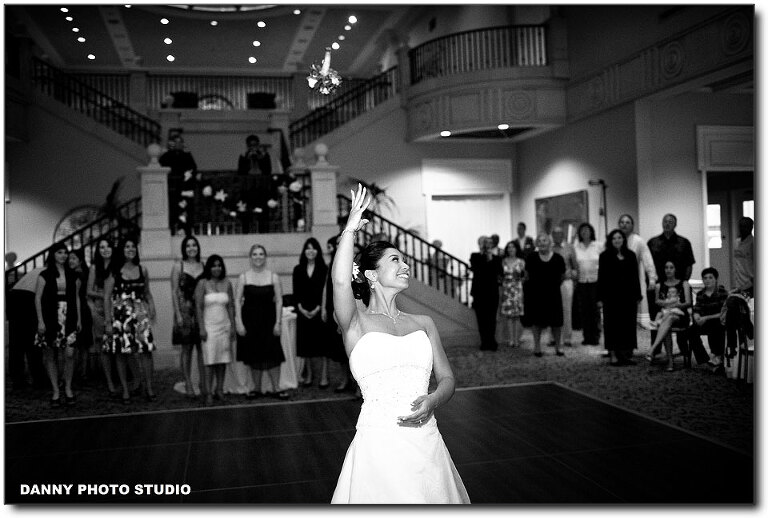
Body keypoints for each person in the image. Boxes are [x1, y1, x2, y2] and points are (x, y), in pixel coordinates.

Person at [330, 184, 470, 504]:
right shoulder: (355, 323)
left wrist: (433, 400)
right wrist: (350, 229)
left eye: (405, 261)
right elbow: (339, 281)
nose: (405, 266)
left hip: (426, 441)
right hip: (379, 446)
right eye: (396, 260)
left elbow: (447, 379)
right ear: (372, 275)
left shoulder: (425, 323)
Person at [104, 236, 157, 403]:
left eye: (133, 246)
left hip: (140, 315)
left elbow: (147, 292)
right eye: (127, 247)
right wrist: (108, 321)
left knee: (146, 352)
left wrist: (152, 307)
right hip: (121, 316)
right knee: (121, 352)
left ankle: (149, 388)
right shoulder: (114, 271)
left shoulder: (143, 270)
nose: (130, 249)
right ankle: (125, 390)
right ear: (122, 250)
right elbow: (106, 297)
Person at [234, 244, 290, 400]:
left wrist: (278, 322)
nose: (258, 257)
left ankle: (277, 388)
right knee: (253, 355)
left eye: (261, 254)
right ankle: (256, 388)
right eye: (254, 254)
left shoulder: (273, 277)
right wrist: (239, 323)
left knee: (274, 355)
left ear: (265, 257)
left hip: (269, 322)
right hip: (250, 322)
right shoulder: (243, 277)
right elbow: (237, 301)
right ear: (250, 257)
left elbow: (279, 301)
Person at [34, 242, 82, 406]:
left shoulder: (73, 275)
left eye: (65, 252)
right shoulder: (44, 275)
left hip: (69, 316)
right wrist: (40, 320)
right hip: (50, 317)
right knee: (51, 354)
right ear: (53, 254)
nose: (63, 255)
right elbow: (37, 298)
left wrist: (79, 319)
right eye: (59, 252)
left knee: (69, 353)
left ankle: (67, 386)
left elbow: (77, 297)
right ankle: (55, 390)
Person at [195, 254, 236, 406]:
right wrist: (201, 328)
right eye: (213, 265)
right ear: (209, 267)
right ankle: (208, 392)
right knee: (210, 361)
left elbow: (230, 306)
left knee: (222, 360)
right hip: (209, 327)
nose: (216, 268)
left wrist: (233, 326)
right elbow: (198, 307)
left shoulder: (227, 283)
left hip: (224, 326)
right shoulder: (202, 283)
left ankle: (219, 389)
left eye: (219, 265)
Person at [647, 214, 695, 341]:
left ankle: (683, 346)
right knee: (656, 317)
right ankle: (656, 347)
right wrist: (651, 283)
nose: (667, 223)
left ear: (675, 224)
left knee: (680, 317)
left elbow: (689, 265)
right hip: (658, 287)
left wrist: (683, 283)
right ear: (662, 223)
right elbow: (647, 265)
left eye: (670, 221)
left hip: (679, 287)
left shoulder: (684, 243)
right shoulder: (652, 243)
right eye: (665, 221)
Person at [597, 229, 642, 365]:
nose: (617, 240)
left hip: (628, 297)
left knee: (627, 325)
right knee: (612, 326)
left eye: (619, 238)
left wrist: (638, 295)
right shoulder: (605, 256)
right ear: (610, 241)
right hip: (611, 297)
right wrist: (599, 298)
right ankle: (613, 355)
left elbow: (635, 276)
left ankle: (625, 354)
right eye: (614, 238)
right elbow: (601, 278)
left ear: (624, 240)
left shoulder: (631, 255)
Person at [171, 235, 205, 399]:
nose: (192, 248)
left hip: (201, 313)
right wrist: (178, 314)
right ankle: (188, 383)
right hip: (184, 312)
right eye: (188, 246)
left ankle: (202, 382)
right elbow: (174, 292)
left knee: (201, 349)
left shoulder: (203, 265)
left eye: (194, 245)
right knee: (187, 349)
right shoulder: (179, 266)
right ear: (184, 249)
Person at [523, 233, 566, 357]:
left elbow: (562, 276)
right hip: (536, 295)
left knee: (556, 322)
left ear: (550, 242)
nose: (542, 243)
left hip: (553, 294)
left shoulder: (558, 258)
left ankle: (558, 346)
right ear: (536, 244)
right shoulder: (531, 257)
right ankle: (537, 347)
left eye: (544, 240)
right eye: (539, 241)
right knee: (536, 322)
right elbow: (527, 275)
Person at [646, 260, 692, 372]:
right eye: (666, 267)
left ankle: (653, 349)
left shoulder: (684, 284)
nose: (668, 270)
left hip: (680, 315)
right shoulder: (659, 285)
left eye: (671, 267)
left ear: (676, 269)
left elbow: (688, 302)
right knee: (667, 323)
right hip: (666, 315)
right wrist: (667, 303)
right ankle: (670, 361)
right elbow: (656, 301)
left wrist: (675, 305)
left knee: (668, 319)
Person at [86, 238, 118, 397]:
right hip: (99, 310)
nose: (105, 250)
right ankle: (109, 381)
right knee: (103, 346)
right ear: (98, 251)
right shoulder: (94, 268)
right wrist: (104, 295)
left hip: (117, 309)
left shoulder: (118, 266)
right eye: (102, 247)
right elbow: (88, 291)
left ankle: (121, 377)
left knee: (119, 345)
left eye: (108, 246)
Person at [322, 235, 353, 392]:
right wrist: (323, 307)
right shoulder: (332, 263)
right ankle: (344, 379)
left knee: (352, 349)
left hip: (346, 309)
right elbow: (326, 287)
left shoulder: (354, 263)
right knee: (339, 349)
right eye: (337, 244)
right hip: (331, 308)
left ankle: (358, 386)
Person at [7, 265, 47, 389]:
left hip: (14, 295)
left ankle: (18, 379)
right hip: (27, 298)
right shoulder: (51, 272)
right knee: (32, 340)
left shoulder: (39, 269)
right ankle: (38, 377)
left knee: (16, 342)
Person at [617, 214, 657, 328]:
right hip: (615, 280)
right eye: (622, 222)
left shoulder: (638, 241)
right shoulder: (614, 239)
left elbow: (647, 259)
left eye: (627, 222)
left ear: (632, 225)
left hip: (632, 280)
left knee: (630, 309)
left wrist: (652, 278)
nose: (624, 225)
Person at [687, 267, 728, 372]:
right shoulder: (700, 294)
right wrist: (696, 316)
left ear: (716, 279)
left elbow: (723, 313)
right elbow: (697, 308)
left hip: (718, 321)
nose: (707, 280)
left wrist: (706, 318)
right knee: (691, 330)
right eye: (705, 278)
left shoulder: (722, 293)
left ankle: (716, 356)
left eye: (710, 277)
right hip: (705, 321)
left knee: (715, 327)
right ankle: (705, 359)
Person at [469, 235, 502, 351]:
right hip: (479, 292)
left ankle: (492, 341)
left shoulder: (496, 259)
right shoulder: (475, 256)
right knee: (481, 318)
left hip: (492, 292)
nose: (487, 245)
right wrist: (485, 257)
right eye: (485, 243)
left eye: (489, 243)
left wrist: (490, 257)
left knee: (491, 318)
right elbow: (477, 269)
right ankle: (484, 341)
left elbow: (498, 272)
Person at [161, 134, 198, 236]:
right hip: (172, 191)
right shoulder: (166, 156)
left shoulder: (187, 156)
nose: (178, 144)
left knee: (187, 212)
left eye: (180, 142)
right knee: (173, 212)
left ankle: (187, 231)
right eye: (176, 142)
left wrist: (186, 176)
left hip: (185, 190)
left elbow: (193, 169)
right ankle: (172, 230)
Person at [573, 222, 603, 347]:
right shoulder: (576, 247)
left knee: (595, 310)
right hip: (581, 282)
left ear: (591, 232)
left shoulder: (598, 245)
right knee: (584, 311)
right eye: (582, 230)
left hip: (595, 282)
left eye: (587, 230)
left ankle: (595, 336)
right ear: (579, 233)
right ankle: (586, 336)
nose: (585, 232)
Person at [68, 248, 95, 382]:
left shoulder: (77, 275)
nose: (70, 261)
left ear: (80, 261)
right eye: (70, 258)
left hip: (80, 310)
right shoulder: (83, 273)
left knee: (80, 344)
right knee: (83, 344)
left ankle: (81, 372)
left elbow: (77, 296)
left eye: (73, 258)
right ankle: (83, 372)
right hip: (83, 309)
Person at [551, 225, 577, 346]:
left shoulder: (569, 247)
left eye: (559, 234)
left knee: (566, 310)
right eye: (554, 234)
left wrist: (574, 280)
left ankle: (567, 338)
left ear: (563, 235)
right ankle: (553, 338)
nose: (557, 236)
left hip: (566, 282)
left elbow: (575, 266)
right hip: (552, 283)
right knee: (552, 310)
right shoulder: (549, 248)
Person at [500, 240, 526, 347]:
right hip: (507, 288)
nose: (511, 249)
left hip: (517, 288)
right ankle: (511, 339)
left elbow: (525, 276)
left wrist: (520, 283)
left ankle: (516, 339)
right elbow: (500, 276)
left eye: (513, 247)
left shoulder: (521, 262)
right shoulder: (503, 261)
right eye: (509, 247)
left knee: (517, 316)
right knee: (509, 316)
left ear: (516, 249)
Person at [732, 216, 754, 296]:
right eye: (741, 226)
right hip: (738, 284)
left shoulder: (753, 243)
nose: (742, 229)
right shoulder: (736, 242)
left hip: (750, 284)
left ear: (751, 228)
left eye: (745, 226)